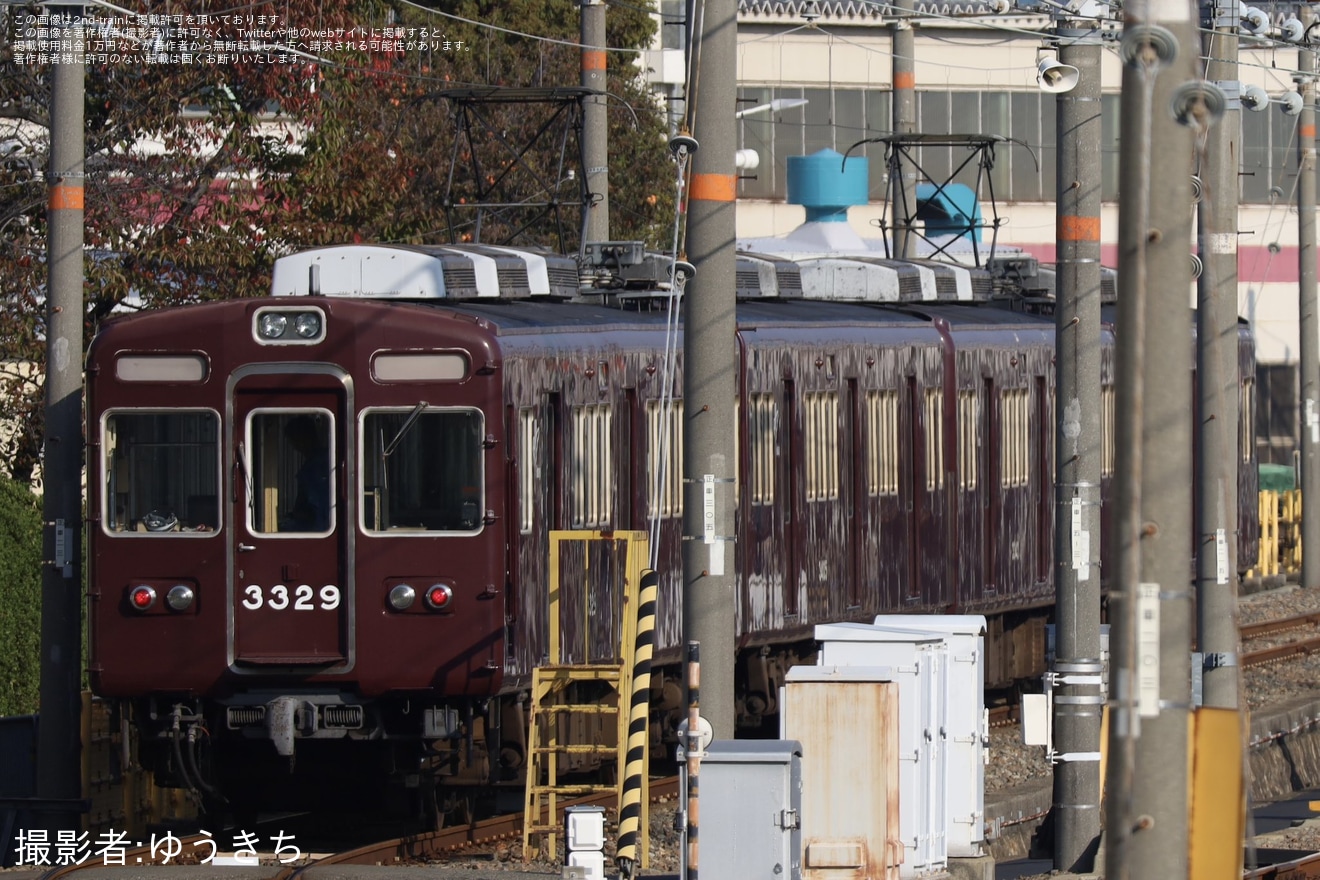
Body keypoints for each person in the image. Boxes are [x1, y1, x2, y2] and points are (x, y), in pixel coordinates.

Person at [284, 415, 331, 531]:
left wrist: (300, 514)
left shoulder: (319, 465)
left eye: (295, 441)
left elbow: (317, 506)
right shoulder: (314, 463)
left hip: (318, 529)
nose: (295, 447)